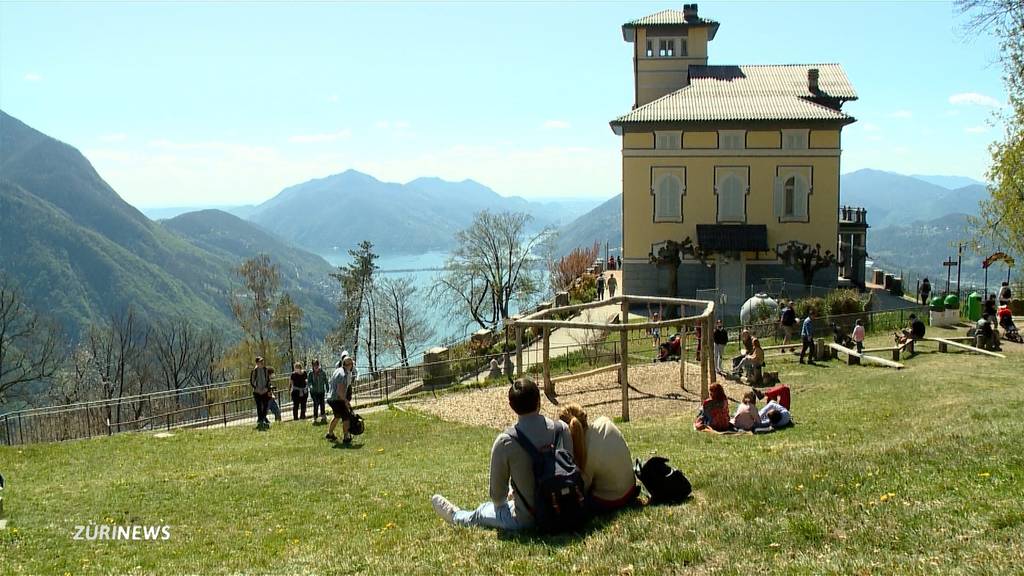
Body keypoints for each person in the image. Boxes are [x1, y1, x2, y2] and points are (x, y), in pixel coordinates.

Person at [430, 377, 573, 530]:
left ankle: (456, 516)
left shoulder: (506, 441)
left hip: (530, 520)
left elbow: (498, 498)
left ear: (511, 405)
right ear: (539, 399)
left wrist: (514, 493)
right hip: (568, 509)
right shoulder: (562, 429)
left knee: (483, 511)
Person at [557, 404, 638, 512]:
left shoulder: (586, 453)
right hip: (631, 487)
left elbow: (582, 489)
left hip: (614, 499)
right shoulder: (604, 421)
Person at [326, 352, 356, 444]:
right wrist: (346, 401)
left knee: (337, 416)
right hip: (336, 399)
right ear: (348, 365)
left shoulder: (337, 370)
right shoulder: (343, 375)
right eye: (352, 364)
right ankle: (346, 437)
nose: (352, 366)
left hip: (330, 398)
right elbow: (340, 392)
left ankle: (330, 434)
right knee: (346, 417)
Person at [249, 356, 274, 430]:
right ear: (257, 363)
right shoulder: (254, 371)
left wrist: (266, 388)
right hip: (257, 392)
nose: (262, 363)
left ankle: (263, 419)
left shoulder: (265, 370)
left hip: (265, 391)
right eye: (260, 362)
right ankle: (260, 420)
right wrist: (257, 389)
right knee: (259, 407)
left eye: (262, 361)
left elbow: (268, 380)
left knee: (265, 406)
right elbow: (252, 381)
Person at [308, 359, 328, 423]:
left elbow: (326, 380)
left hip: (321, 391)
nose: (316, 367)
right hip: (314, 392)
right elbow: (309, 381)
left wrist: (327, 387)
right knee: (316, 404)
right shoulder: (311, 373)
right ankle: (315, 417)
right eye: (314, 365)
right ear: (312, 366)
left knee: (322, 404)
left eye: (317, 365)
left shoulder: (322, 372)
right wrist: (310, 386)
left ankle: (323, 416)